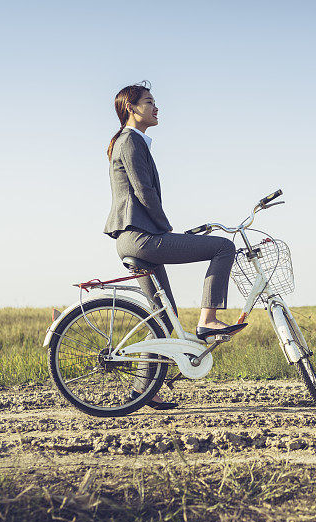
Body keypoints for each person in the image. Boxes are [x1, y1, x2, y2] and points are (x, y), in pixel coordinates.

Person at [104, 81, 245, 408]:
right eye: (150, 101)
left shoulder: (130, 142)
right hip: (142, 238)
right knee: (222, 247)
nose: (156, 107)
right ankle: (208, 320)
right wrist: (166, 228)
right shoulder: (131, 141)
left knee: (162, 319)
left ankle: (141, 393)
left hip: (131, 240)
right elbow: (144, 192)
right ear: (132, 108)